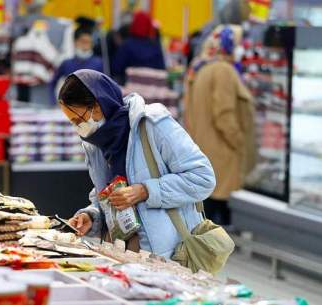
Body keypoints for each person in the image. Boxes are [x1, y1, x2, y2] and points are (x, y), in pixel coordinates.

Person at [58, 69, 216, 258]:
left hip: (167, 257)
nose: (77, 127)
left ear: (98, 106)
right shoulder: (96, 143)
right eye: (72, 122)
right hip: (119, 254)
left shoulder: (153, 124)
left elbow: (202, 178)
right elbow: (107, 196)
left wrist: (145, 191)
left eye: (78, 119)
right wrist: (92, 216)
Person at [185, 25, 256, 226]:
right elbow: (224, 116)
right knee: (219, 217)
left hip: (206, 150)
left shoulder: (201, 67)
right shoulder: (224, 71)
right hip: (222, 153)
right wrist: (240, 143)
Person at [49, 27, 103, 103]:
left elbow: (105, 86)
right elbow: (52, 82)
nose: (86, 45)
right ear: (75, 42)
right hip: (70, 106)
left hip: (92, 106)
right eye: (83, 41)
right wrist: (53, 101)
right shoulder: (67, 63)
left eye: (89, 42)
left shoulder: (99, 63)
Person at [111, 11, 165, 84]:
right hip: (152, 90)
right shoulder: (156, 46)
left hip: (130, 90)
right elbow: (162, 69)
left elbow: (116, 68)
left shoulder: (127, 45)